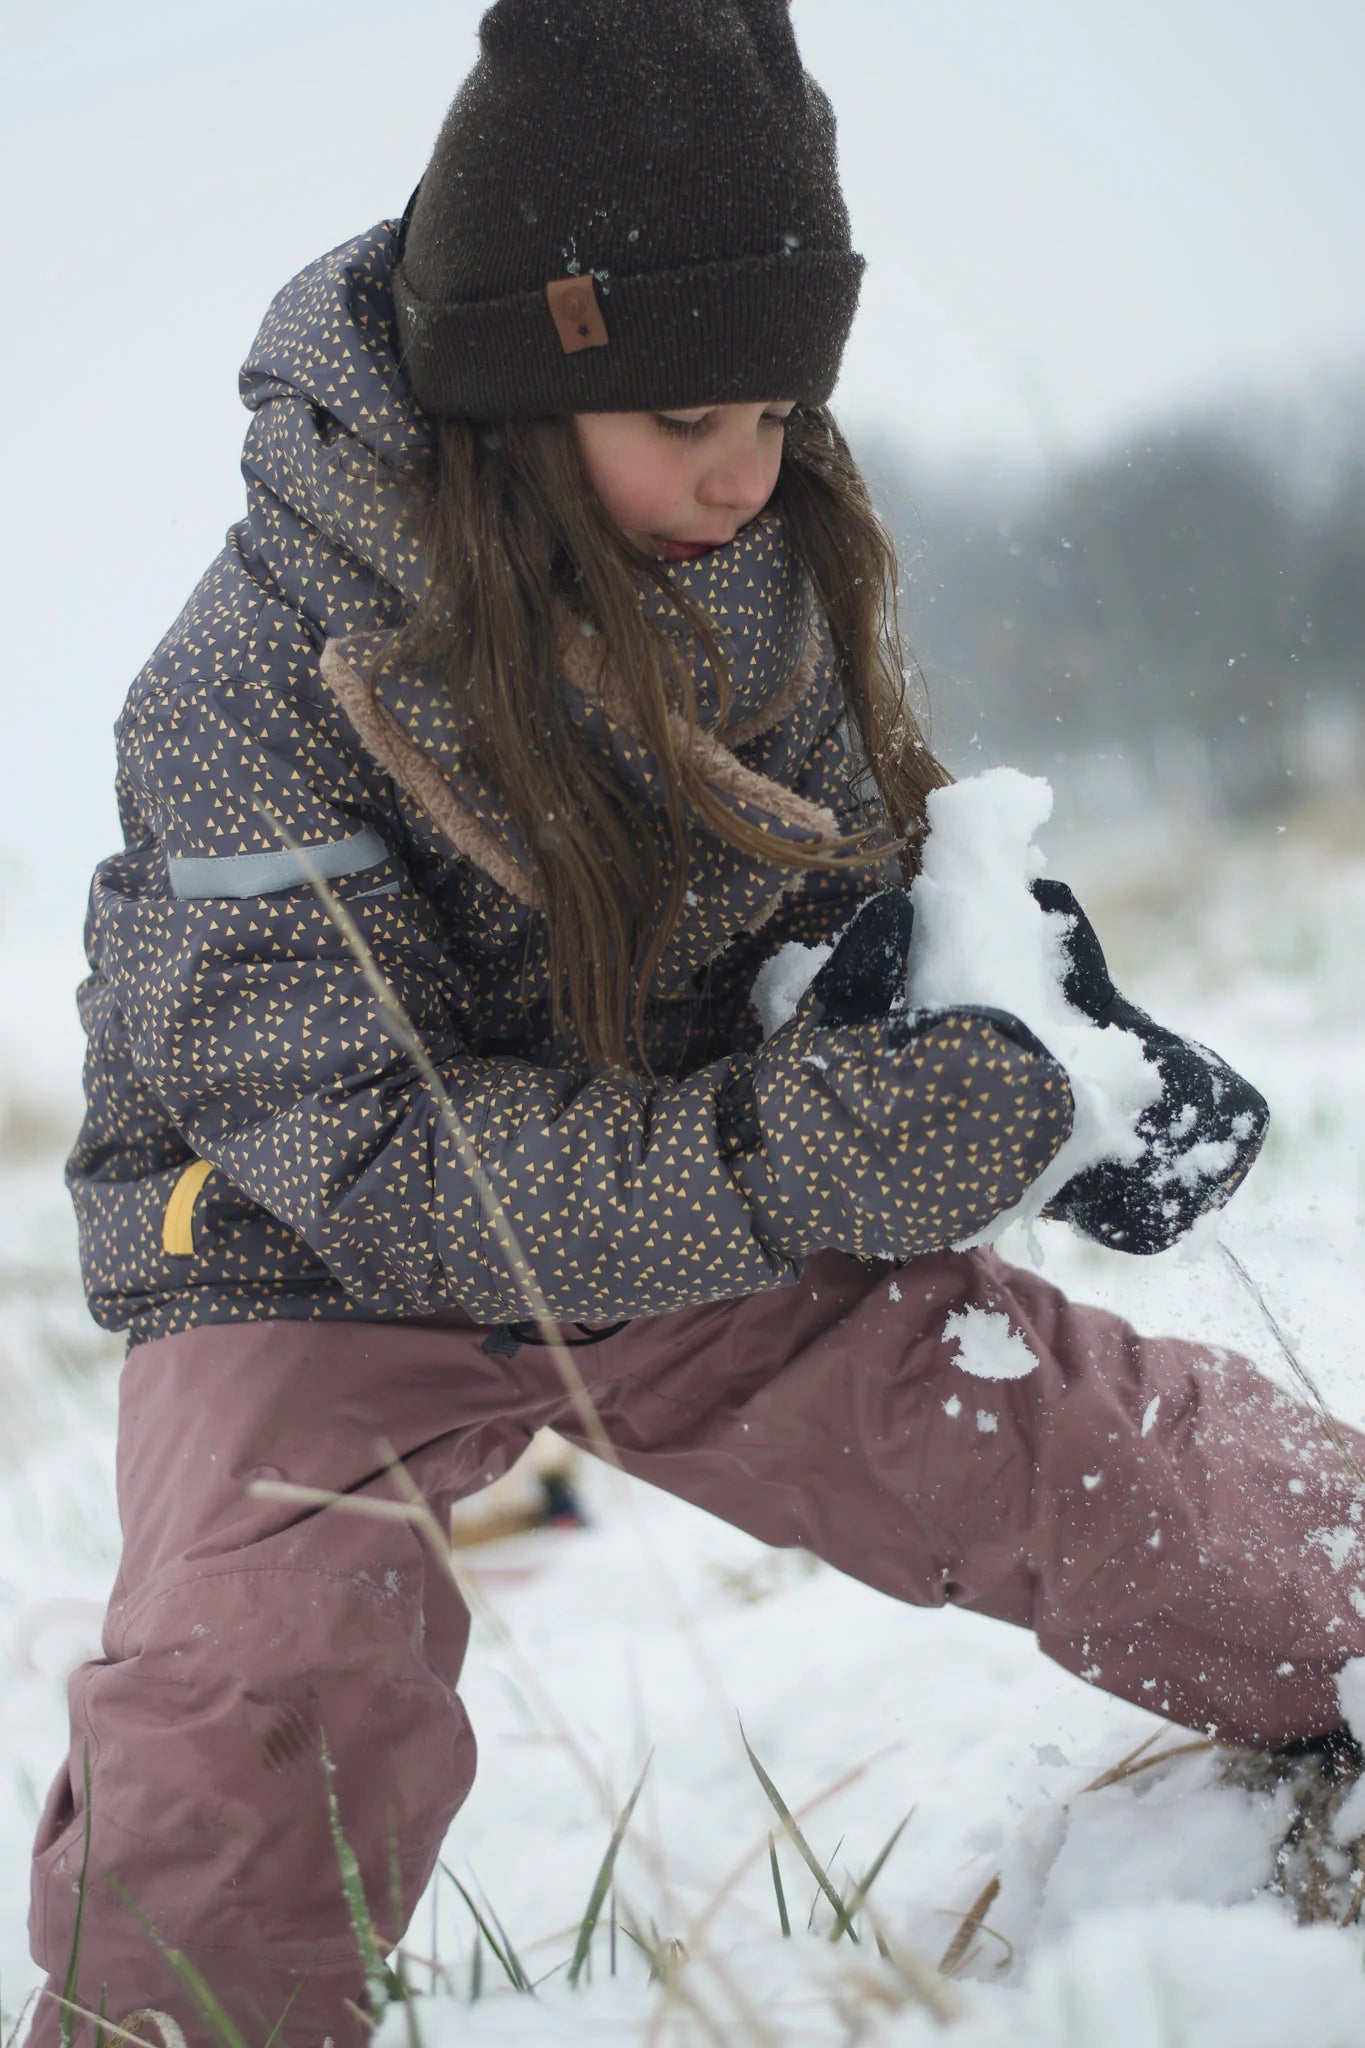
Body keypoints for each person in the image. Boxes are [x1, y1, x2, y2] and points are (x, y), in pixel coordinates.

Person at [26, 3, 1365, 2042]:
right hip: (305, 1261)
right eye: (687, 420)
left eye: (777, 409)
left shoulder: (751, 571)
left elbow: (820, 887)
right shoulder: (241, 693)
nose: (745, 472)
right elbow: (384, 1164)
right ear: (513, 393)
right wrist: (790, 1156)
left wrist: (1021, 1048)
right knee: (249, 1678)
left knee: (1054, 1435)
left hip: (686, 1190)